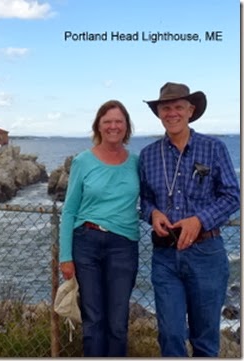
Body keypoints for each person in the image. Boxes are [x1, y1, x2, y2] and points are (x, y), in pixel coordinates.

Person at [139, 82, 240, 357]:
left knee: (205, 340)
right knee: (170, 335)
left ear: (190, 110)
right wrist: (153, 213)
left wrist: (200, 220)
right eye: (166, 108)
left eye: (178, 107)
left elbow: (233, 196)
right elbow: (144, 200)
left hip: (206, 254)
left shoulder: (214, 148)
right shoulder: (148, 155)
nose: (172, 113)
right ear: (159, 113)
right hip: (165, 257)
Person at [59, 100, 140, 357]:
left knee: (117, 322)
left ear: (126, 127)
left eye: (118, 121)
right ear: (99, 126)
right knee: (93, 321)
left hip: (124, 246)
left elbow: (153, 199)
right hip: (87, 243)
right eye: (107, 121)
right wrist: (65, 256)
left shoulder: (137, 163)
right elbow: (69, 210)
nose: (113, 126)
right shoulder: (82, 161)